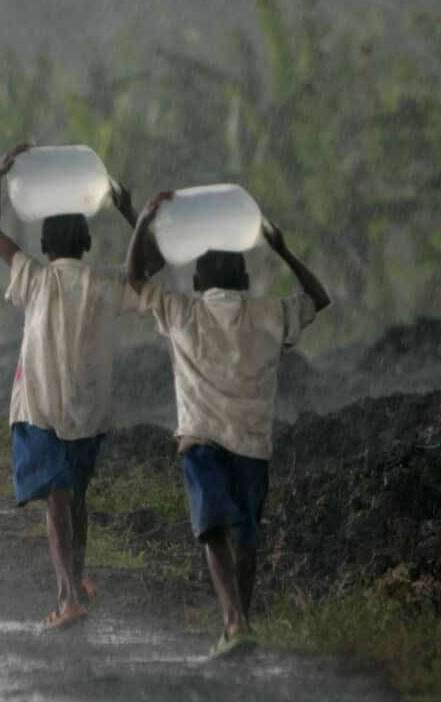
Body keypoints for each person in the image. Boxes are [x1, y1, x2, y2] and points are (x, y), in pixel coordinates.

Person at [124, 191, 331, 659]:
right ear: (246, 278)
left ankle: (235, 622)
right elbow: (320, 298)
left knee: (212, 531)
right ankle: (240, 623)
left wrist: (143, 220)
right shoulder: (269, 314)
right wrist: (282, 249)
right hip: (254, 442)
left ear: (197, 281)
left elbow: (134, 277)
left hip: (202, 440)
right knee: (246, 537)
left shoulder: (184, 313)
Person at [0, 142, 139, 632]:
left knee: (57, 501)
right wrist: (132, 213)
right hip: (88, 412)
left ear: (46, 247)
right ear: (87, 244)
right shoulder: (104, 283)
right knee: (77, 498)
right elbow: (148, 270)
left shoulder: (34, 276)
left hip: (40, 409)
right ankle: (78, 581)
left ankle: (69, 595)